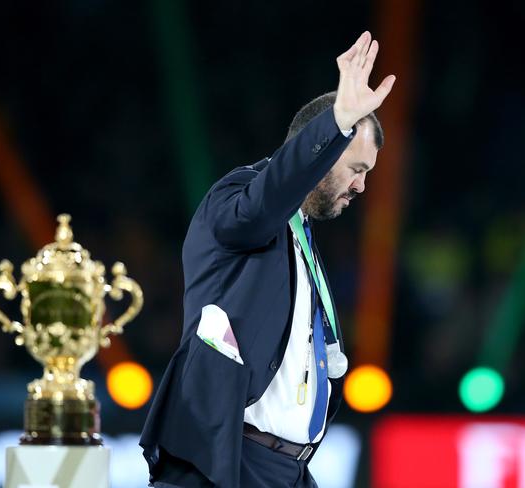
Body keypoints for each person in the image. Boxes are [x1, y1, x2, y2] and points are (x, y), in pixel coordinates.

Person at [140, 31, 395, 488]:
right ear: (319, 149)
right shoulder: (236, 199)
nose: (360, 187)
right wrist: (337, 122)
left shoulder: (301, 235)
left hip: (287, 470)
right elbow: (264, 204)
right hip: (223, 463)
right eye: (356, 169)